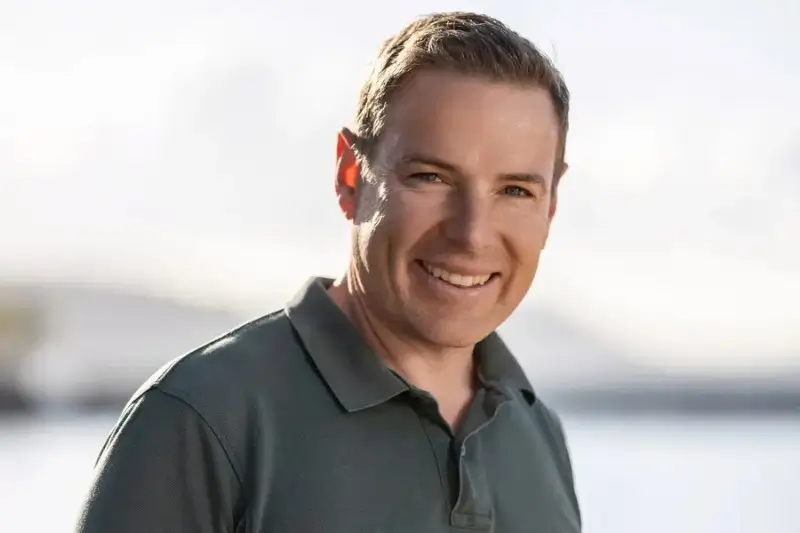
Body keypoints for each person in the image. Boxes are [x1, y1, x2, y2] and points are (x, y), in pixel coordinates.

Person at [75, 11, 581, 533]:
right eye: (430, 177)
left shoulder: (537, 434)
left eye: (515, 190)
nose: (472, 234)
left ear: (550, 208)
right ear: (350, 176)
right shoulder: (198, 418)